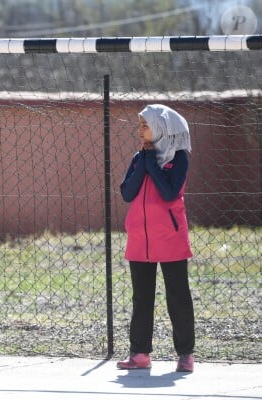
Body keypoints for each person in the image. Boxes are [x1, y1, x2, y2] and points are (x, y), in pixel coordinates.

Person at [117, 104, 195, 373]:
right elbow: (127, 193)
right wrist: (144, 163)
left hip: (170, 239)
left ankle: (185, 354)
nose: (139, 130)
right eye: (139, 124)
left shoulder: (179, 158)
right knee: (142, 298)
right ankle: (139, 353)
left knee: (178, 296)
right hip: (140, 240)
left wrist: (152, 163)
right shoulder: (139, 158)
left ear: (162, 128)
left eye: (144, 125)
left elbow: (169, 193)